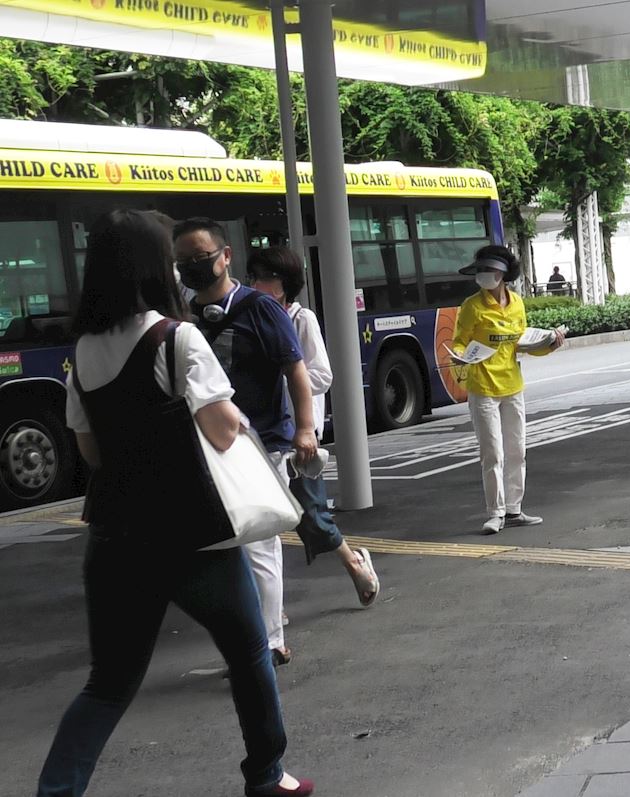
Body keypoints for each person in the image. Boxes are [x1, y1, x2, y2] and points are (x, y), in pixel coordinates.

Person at [38, 209, 313, 797]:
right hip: (192, 534)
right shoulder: (176, 337)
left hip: (114, 535)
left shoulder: (84, 350)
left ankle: (57, 791)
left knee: (108, 684)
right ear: (151, 268)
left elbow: (91, 450)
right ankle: (267, 775)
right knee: (249, 654)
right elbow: (222, 431)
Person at [173, 218, 318, 667]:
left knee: (259, 544)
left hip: (260, 444)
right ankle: (246, 640)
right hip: (205, 447)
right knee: (220, 548)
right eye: (184, 261)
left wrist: (305, 429)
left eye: (201, 257)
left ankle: (269, 641)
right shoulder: (183, 317)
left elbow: (296, 370)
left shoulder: (261, 308)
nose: (194, 266)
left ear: (226, 256)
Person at [246, 247, 380, 604]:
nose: (258, 284)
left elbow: (321, 374)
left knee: (312, 514)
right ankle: (270, 605)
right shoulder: (250, 318)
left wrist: (284, 377)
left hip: (297, 434)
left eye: (267, 278)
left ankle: (355, 563)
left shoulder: (300, 318)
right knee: (262, 520)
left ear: (286, 283)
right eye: (254, 277)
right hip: (262, 434)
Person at [451, 245, 565, 534]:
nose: (483, 275)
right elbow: (460, 342)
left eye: (489, 270)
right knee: (492, 454)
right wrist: (459, 356)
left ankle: (514, 509)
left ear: (503, 274)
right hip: (483, 388)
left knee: (516, 451)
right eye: (480, 270)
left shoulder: (516, 305)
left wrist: (550, 345)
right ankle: (495, 513)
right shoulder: (471, 306)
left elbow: (522, 344)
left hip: (512, 386)